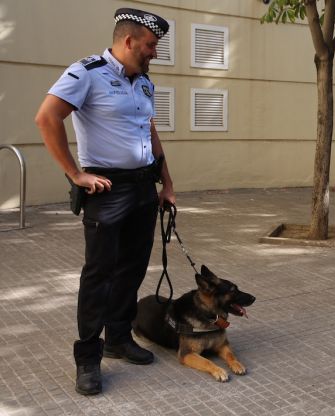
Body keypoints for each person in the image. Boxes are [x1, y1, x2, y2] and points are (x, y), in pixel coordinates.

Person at [34, 8, 175, 395]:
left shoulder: (144, 83)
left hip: (144, 188)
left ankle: (118, 337)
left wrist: (166, 184)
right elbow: (47, 118)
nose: (155, 53)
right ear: (128, 41)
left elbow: (150, 132)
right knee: (99, 275)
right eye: (150, 46)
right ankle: (88, 359)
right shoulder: (86, 72)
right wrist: (75, 174)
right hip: (107, 190)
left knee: (131, 268)